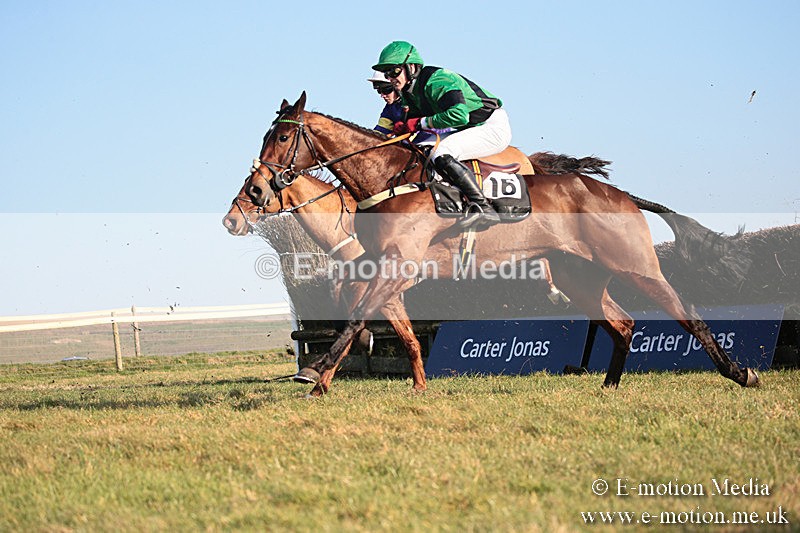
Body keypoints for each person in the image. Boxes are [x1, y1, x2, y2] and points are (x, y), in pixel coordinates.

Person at [372, 40, 511, 228]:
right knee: (420, 150)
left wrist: (420, 123)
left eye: (394, 71)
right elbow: (412, 124)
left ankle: (483, 206)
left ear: (411, 67)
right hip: (470, 128)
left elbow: (459, 115)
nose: (391, 78)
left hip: (490, 125)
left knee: (442, 152)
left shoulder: (438, 79)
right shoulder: (408, 92)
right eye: (387, 74)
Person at [368, 71, 404, 135]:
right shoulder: (389, 109)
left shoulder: (414, 100)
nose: (382, 96)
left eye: (385, 90)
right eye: (379, 91)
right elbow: (380, 132)